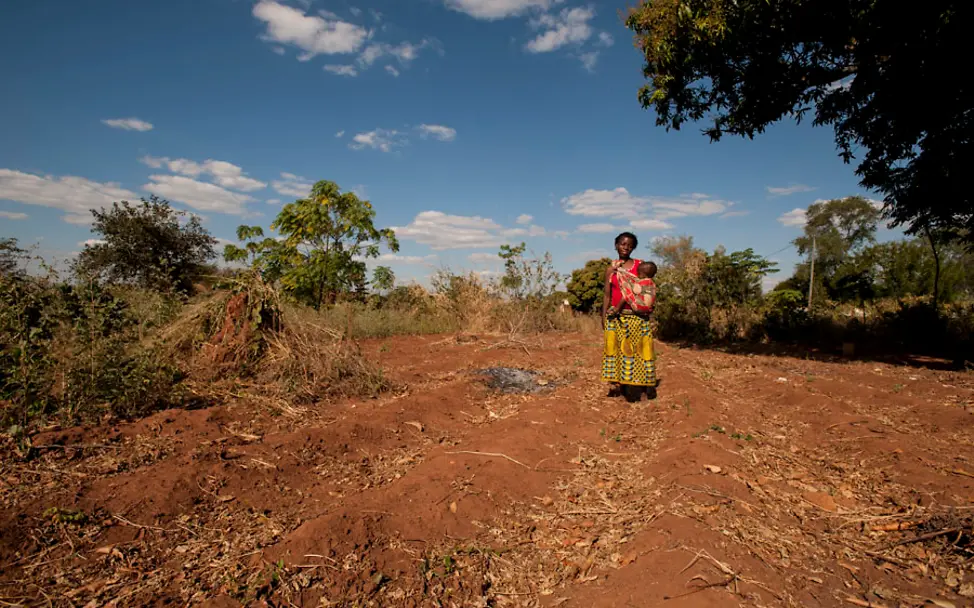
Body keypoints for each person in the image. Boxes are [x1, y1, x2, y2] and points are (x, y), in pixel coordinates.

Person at [601, 233, 658, 402]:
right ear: (616, 245)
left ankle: (644, 387)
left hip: (637, 316)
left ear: (633, 248)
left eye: (630, 245)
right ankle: (623, 385)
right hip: (617, 317)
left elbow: (649, 289)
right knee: (619, 352)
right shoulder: (610, 270)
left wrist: (648, 309)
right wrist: (603, 316)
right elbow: (607, 294)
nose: (626, 247)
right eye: (622, 244)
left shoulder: (641, 266)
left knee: (641, 352)